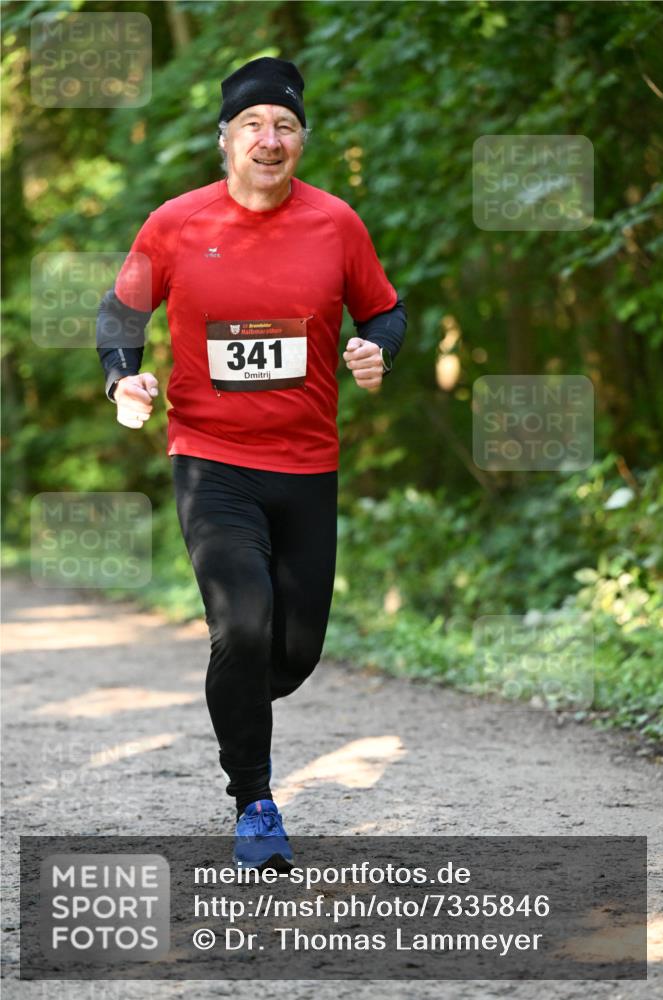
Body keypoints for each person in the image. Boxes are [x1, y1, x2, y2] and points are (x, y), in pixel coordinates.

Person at [97, 57, 407, 870]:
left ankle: (235, 697)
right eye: (253, 126)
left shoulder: (336, 223)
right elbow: (121, 308)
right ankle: (255, 800)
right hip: (212, 462)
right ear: (224, 139)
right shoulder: (175, 224)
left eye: (286, 126)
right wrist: (122, 372)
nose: (269, 141)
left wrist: (374, 349)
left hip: (307, 465)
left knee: (291, 653)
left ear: (301, 140)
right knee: (240, 622)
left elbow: (384, 310)